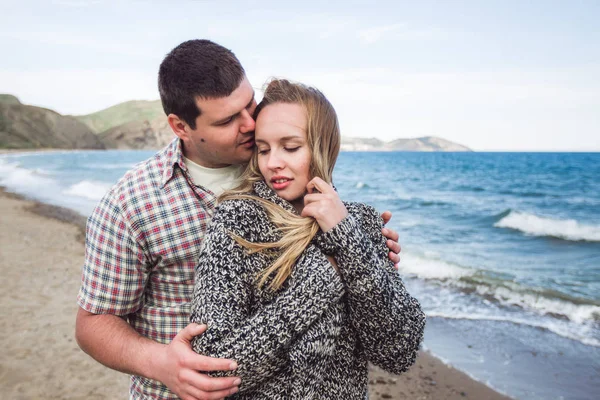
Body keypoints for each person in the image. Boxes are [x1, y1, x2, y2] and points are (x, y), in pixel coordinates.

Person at [75, 39, 403, 400]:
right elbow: (92, 323)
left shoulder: (275, 164)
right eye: (229, 119)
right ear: (181, 126)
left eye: (250, 104)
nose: (250, 124)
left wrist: (360, 248)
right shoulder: (131, 204)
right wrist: (160, 362)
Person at [190, 79, 425, 399]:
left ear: (323, 147)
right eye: (263, 149)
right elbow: (213, 367)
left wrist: (347, 239)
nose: (273, 162)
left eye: (290, 147)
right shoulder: (236, 221)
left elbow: (397, 353)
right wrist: (319, 285)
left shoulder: (361, 225)